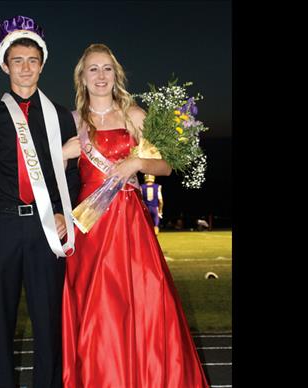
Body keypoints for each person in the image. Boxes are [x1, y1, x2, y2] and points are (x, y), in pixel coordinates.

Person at [62, 44, 209, 388]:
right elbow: (49, 169)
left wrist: (138, 163)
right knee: (95, 307)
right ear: (82, 78)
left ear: (116, 75)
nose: (100, 76)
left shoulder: (135, 116)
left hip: (129, 223)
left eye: (107, 69)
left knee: (142, 302)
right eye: (93, 69)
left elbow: (167, 166)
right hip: (90, 226)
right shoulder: (71, 121)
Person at [0, 15, 80, 388]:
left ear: (42, 65)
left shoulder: (61, 116)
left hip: (46, 229)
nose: (26, 67)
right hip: (1, 228)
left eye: (33, 60)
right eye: (18, 60)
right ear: (5, 65)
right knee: (1, 325)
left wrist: (64, 211)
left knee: (48, 325)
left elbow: (72, 173)